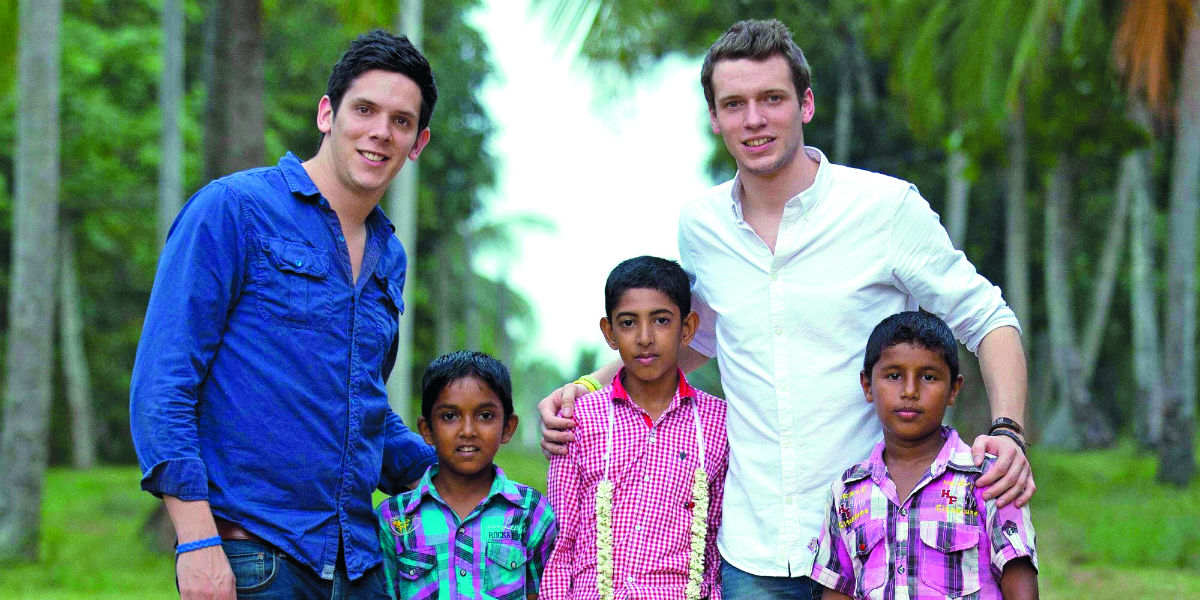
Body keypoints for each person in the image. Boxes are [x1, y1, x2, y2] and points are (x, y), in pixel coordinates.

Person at [540, 19, 1034, 599]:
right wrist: (590, 387)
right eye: (735, 104)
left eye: (771, 99)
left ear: (805, 104)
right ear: (715, 118)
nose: (754, 119)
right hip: (751, 550)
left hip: (869, 539)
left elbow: (989, 318)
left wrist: (1009, 432)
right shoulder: (701, 226)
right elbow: (700, 340)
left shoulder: (884, 208)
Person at [130, 30, 439, 599]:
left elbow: (360, 402)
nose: (380, 132)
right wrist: (197, 543)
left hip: (360, 565)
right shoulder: (234, 210)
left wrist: (466, 464)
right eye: (364, 110)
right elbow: (163, 384)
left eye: (400, 121)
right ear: (327, 113)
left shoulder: (389, 255)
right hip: (253, 559)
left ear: (417, 143)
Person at [811, 311, 1038, 599]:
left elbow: (1021, 586)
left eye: (928, 377)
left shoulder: (989, 479)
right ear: (867, 385)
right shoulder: (846, 493)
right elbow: (837, 589)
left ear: (953, 389)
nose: (910, 391)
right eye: (894, 376)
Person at [541, 256, 729, 600]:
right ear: (609, 332)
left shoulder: (717, 423)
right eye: (628, 323)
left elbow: (717, 545)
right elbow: (560, 544)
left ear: (686, 328)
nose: (645, 338)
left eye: (661, 321)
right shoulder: (580, 420)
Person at [376, 351, 557, 600]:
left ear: (508, 427)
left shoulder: (531, 512)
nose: (467, 430)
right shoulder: (393, 518)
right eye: (450, 416)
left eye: (485, 416)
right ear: (427, 430)